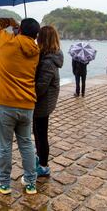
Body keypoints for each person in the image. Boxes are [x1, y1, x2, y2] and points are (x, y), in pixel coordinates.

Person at [0, 17, 40, 195]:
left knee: (4, 145)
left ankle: (3, 182)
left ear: (19, 30)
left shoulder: (6, 43)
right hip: (27, 105)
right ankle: (31, 182)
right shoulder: (36, 50)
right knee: (26, 144)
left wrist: (10, 21)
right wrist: (21, 32)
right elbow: (25, 43)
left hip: (5, 105)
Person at [33, 26, 64, 177]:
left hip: (42, 104)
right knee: (39, 132)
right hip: (44, 103)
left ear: (42, 39)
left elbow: (40, 88)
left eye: (38, 36)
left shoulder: (48, 61)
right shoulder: (49, 56)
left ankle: (43, 166)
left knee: (40, 134)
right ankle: (40, 159)